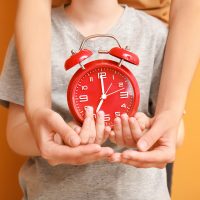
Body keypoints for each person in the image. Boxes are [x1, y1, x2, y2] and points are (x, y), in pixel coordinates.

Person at [0, 0, 175, 199]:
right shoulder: (32, 34)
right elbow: (15, 136)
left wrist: (146, 132)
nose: (103, 98)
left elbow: (175, 131)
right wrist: (63, 137)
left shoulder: (155, 35)